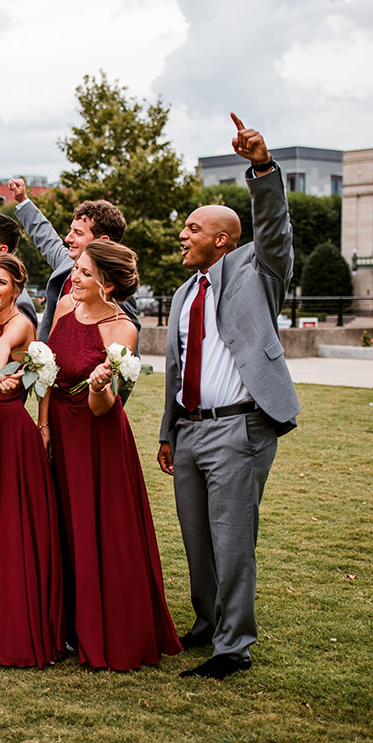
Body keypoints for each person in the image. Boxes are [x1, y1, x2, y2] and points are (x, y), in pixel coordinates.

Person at [158, 115, 299, 680]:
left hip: (240, 427)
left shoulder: (256, 270)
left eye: (194, 228)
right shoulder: (183, 293)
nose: (184, 235)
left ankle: (233, 646)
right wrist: (169, 430)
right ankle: (207, 623)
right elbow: (176, 366)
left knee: (232, 537)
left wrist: (260, 168)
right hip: (190, 428)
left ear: (223, 239)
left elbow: (276, 229)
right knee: (197, 538)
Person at [39, 241, 181, 671]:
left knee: (93, 525)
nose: (74, 278)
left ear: (108, 283)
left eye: (84, 272)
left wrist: (101, 386)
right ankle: (61, 624)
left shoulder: (123, 330)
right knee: (57, 521)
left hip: (95, 436)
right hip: (58, 427)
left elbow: (104, 407)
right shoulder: (64, 306)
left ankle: (96, 627)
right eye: (76, 269)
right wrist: (43, 424)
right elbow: (46, 369)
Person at [0, 253, 63, 668]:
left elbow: (2, 349)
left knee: (10, 529)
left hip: (7, 430)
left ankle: (13, 625)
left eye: (1, 282)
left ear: (17, 290)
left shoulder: (19, 320)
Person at [7, 180, 138, 342]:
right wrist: (23, 200)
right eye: (71, 230)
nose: (68, 238)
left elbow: (127, 347)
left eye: (78, 233)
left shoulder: (114, 287)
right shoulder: (67, 262)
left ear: (103, 240)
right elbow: (47, 238)